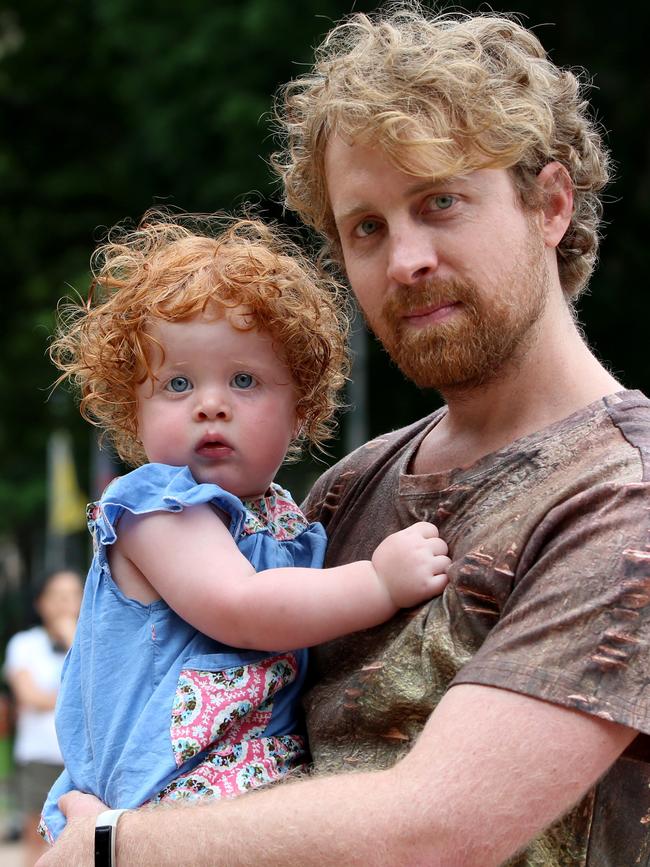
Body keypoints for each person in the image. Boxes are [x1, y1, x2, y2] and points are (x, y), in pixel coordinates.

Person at [38, 5, 650, 866]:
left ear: (550, 205)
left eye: (441, 201)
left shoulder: (624, 499)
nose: (405, 260)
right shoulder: (340, 493)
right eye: (367, 227)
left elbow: (437, 830)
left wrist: (115, 843)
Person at [38, 212, 450, 844]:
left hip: (248, 788)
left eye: (244, 380)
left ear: (300, 408)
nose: (210, 402)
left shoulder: (290, 521)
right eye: (177, 383)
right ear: (134, 409)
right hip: (164, 796)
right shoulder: (154, 506)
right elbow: (241, 606)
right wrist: (379, 584)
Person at [3, 569, 82, 866]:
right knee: (36, 838)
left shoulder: (90, 644)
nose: (66, 603)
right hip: (38, 756)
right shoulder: (24, 644)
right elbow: (28, 696)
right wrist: (73, 698)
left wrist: (76, 640)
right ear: (41, 602)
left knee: (80, 841)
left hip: (80, 760)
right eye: (58, 596)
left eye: (74, 595)